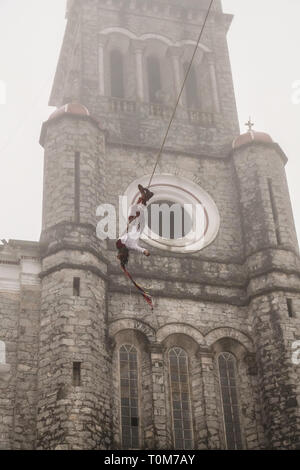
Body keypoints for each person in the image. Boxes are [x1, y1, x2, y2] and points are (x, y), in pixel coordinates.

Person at [116, 184, 154, 267]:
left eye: (120, 252)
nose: (121, 251)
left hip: (133, 223)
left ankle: (146, 196)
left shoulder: (120, 242)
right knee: (138, 209)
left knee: (133, 208)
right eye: (122, 253)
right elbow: (140, 249)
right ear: (125, 253)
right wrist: (145, 252)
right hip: (139, 226)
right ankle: (145, 196)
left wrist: (132, 219)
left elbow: (125, 230)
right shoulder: (131, 246)